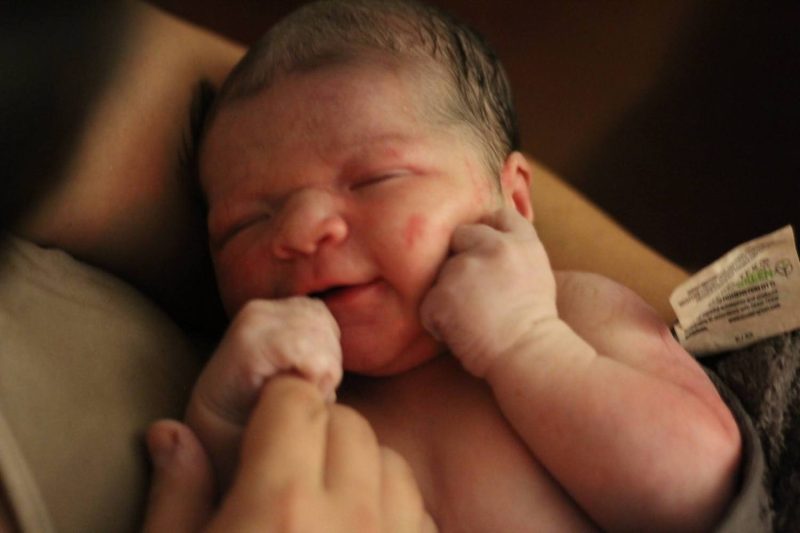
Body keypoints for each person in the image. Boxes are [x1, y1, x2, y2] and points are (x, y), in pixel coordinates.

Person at [182, 0, 743, 531]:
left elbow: (699, 484)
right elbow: (257, 507)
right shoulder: (302, 396)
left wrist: (527, 342)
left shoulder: (572, 312)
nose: (299, 231)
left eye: (376, 179)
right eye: (243, 226)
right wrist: (226, 418)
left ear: (514, 202)